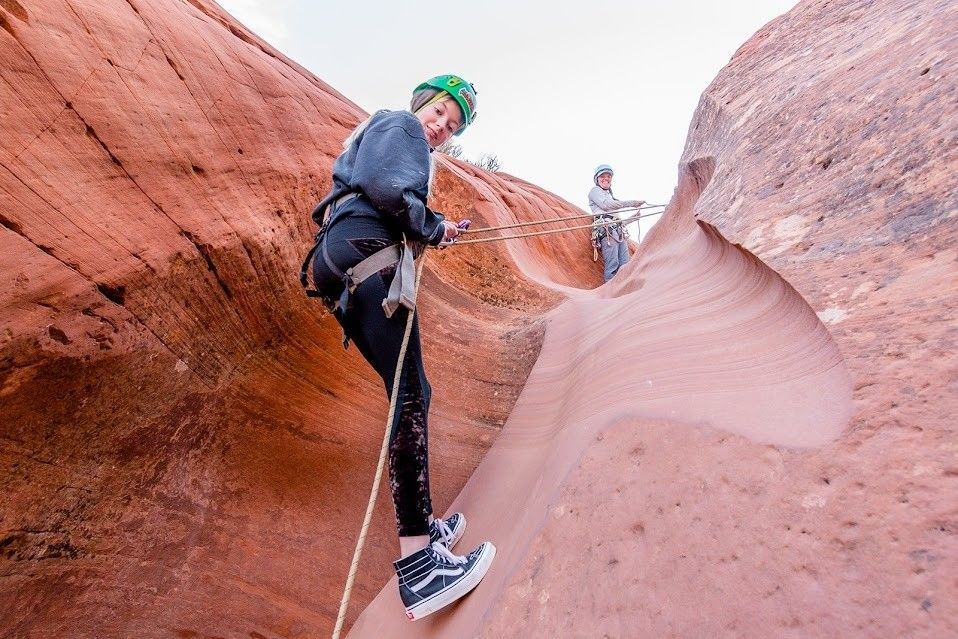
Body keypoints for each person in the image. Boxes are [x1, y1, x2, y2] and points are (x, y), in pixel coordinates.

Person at [300, 75, 495, 621]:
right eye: (439, 113)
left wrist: (434, 228)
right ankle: (420, 566)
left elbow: (390, 193)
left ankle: (424, 524)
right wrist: (429, 225)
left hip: (346, 268)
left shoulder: (398, 135)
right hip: (367, 256)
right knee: (411, 395)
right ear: (421, 106)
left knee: (410, 393)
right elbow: (387, 188)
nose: (440, 127)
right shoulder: (399, 122)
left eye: (452, 127)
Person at [588, 164, 645, 282]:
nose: (606, 178)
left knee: (625, 264)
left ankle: (625, 291)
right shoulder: (595, 191)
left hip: (618, 232)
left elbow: (618, 221)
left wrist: (633, 218)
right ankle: (611, 296)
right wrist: (632, 203)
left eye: (608, 176)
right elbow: (606, 205)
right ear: (596, 179)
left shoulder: (610, 196)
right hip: (607, 231)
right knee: (612, 264)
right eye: (602, 176)